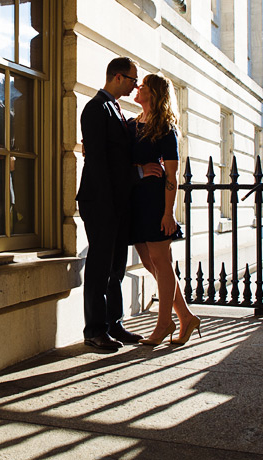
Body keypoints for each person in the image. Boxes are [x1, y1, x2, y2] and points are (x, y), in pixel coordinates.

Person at [76, 57, 161, 351]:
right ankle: (94, 330)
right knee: (100, 266)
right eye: (132, 79)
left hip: (117, 201)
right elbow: (99, 161)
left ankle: (114, 324)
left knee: (116, 268)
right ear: (117, 77)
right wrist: (138, 172)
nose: (135, 85)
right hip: (99, 200)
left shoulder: (116, 108)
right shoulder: (95, 108)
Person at [127, 73, 201, 346]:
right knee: (150, 262)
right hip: (135, 200)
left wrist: (168, 213)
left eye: (143, 85)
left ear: (154, 93)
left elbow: (172, 174)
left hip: (156, 203)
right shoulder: (132, 124)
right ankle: (185, 317)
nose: (138, 87)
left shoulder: (165, 128)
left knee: (160, 261)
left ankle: (163, 323)